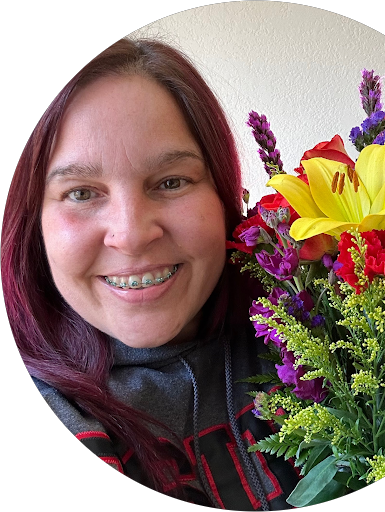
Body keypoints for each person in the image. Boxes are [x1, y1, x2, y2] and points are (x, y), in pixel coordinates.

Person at [2, 37, 299, 509]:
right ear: (32, 223)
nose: (132, 235)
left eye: (171, 182)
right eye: (81, 193)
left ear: (223, 197)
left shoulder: (313, 327)